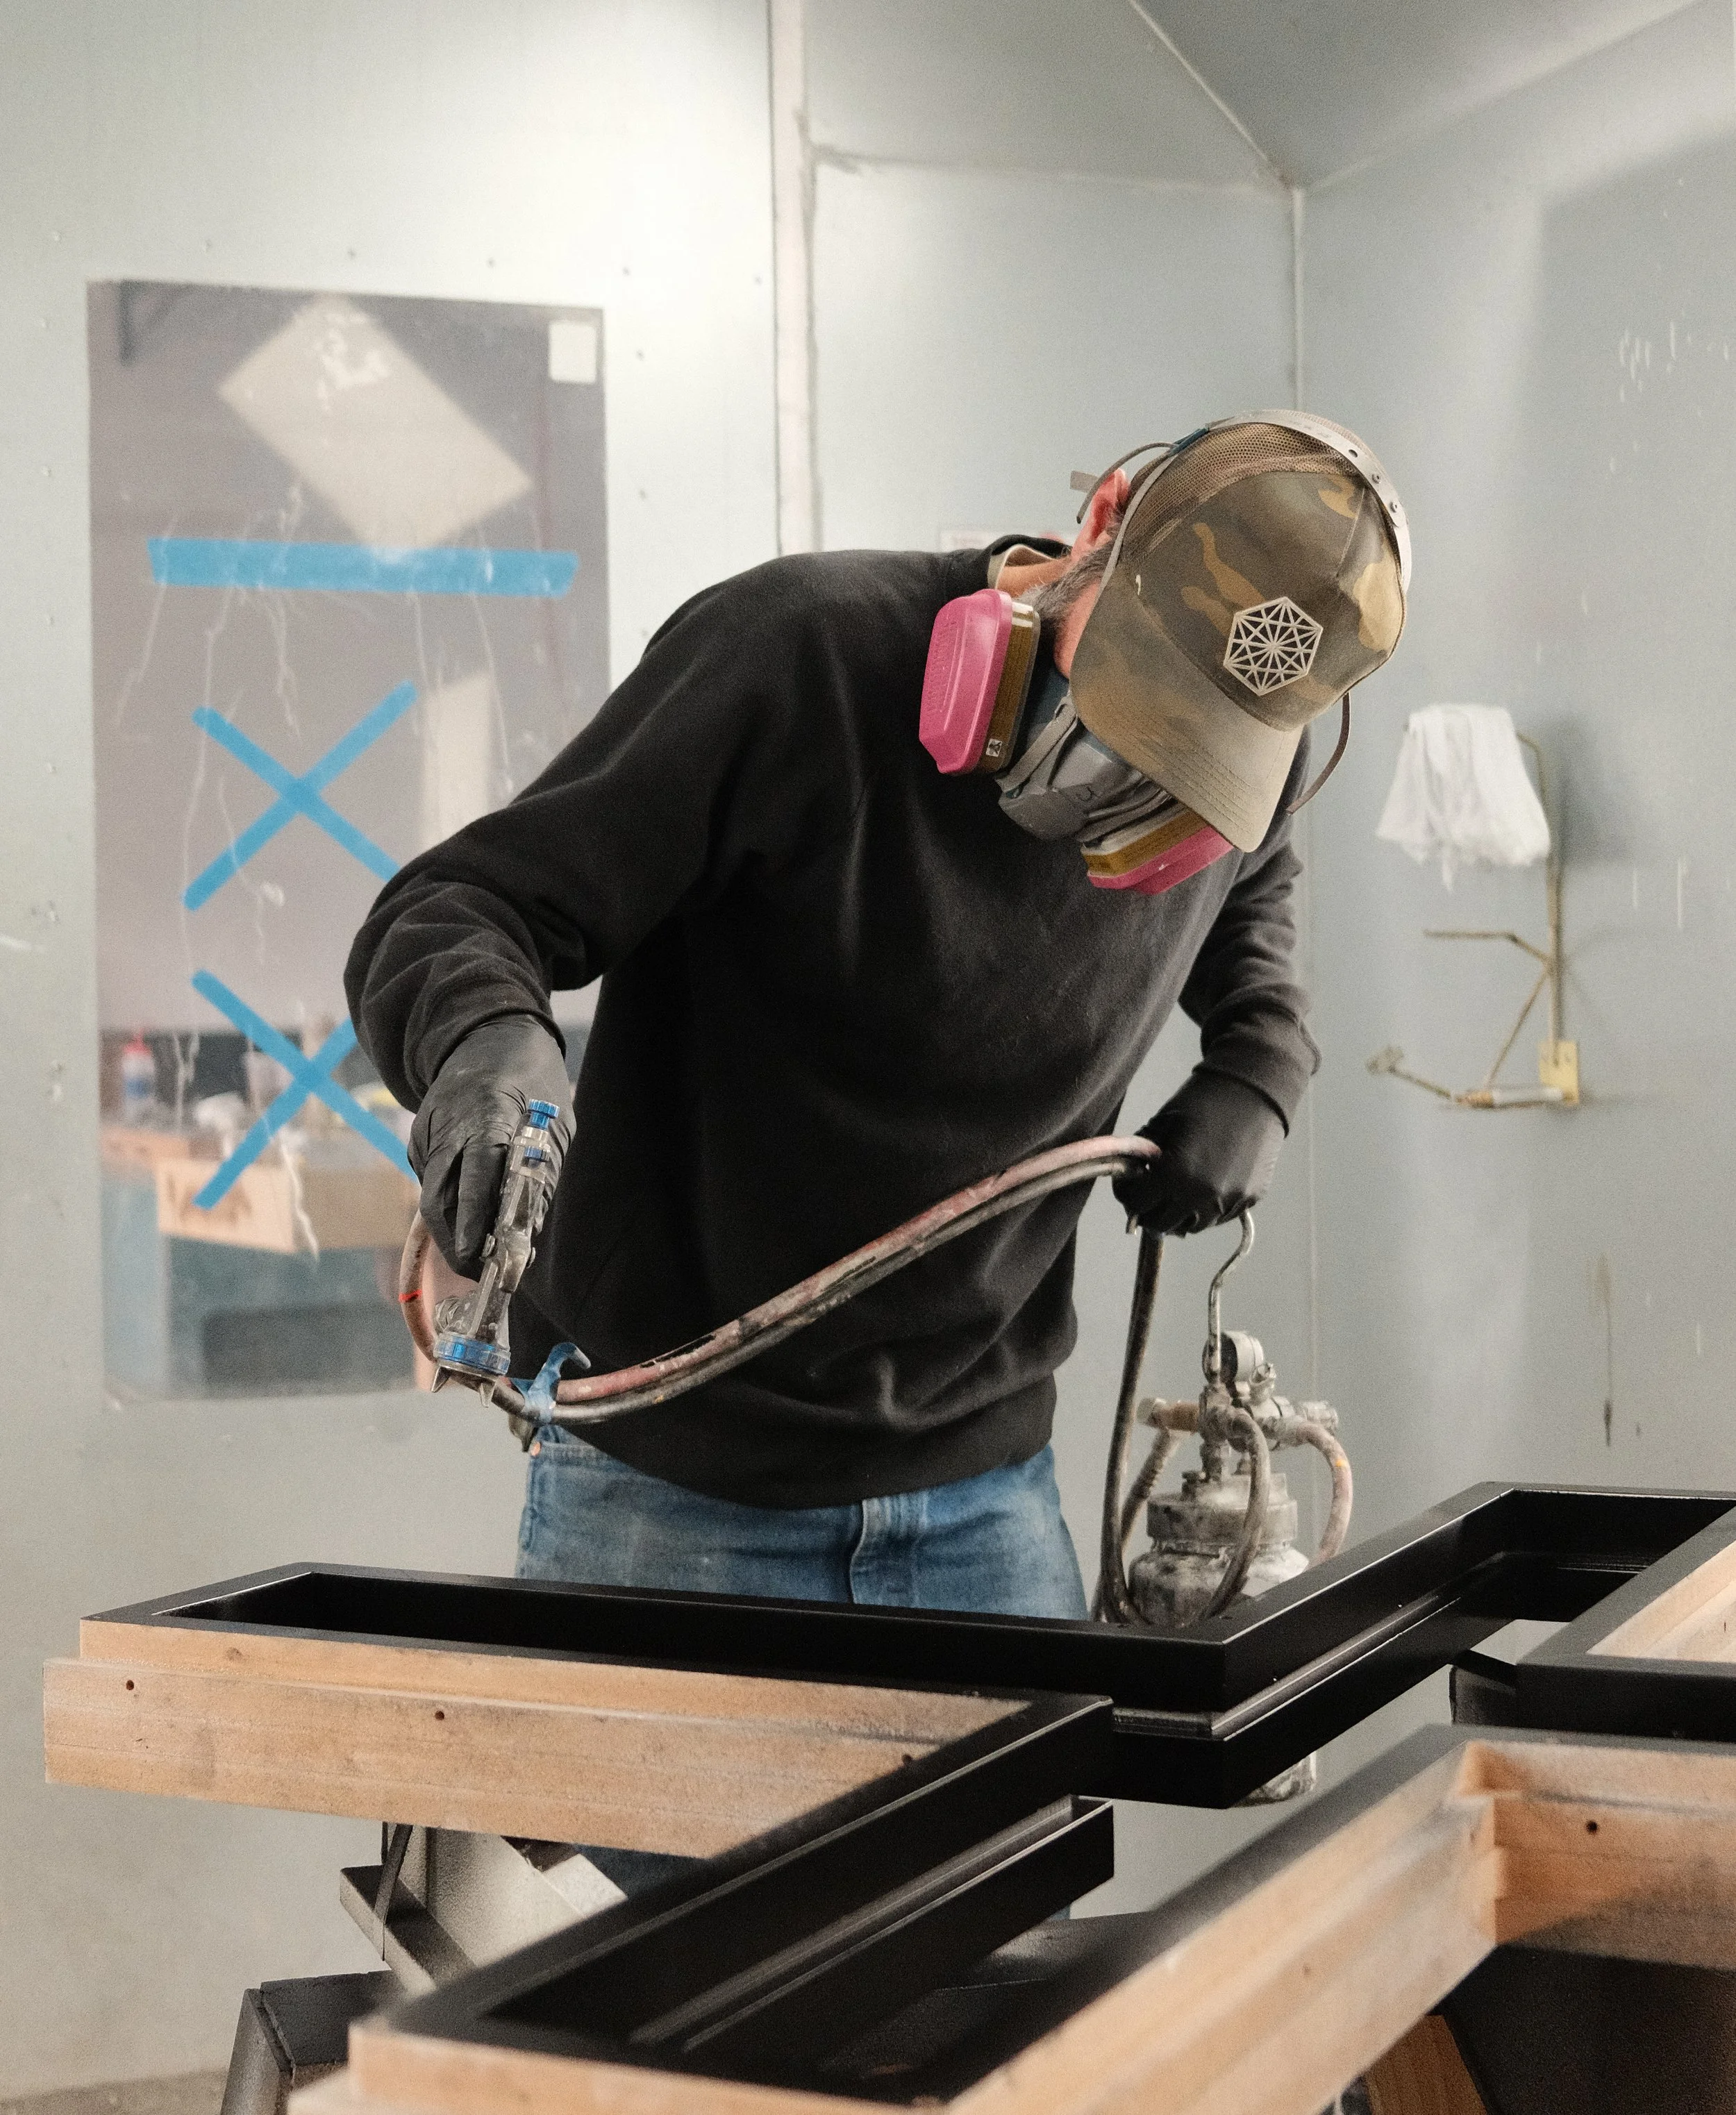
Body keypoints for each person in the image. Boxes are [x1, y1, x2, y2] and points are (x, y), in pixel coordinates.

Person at [347, 412, 1408, 1622]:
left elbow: (1252, 873)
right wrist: (486, 1042)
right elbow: (460, 904)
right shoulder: (796, 656)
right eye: (1137, 700)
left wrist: (1261, 1061)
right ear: (1102, 521)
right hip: (671, 1488)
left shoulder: (1250, 769)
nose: (1136, 784)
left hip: (987, 1494)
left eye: (1195, 761)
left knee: (1020, 1825)